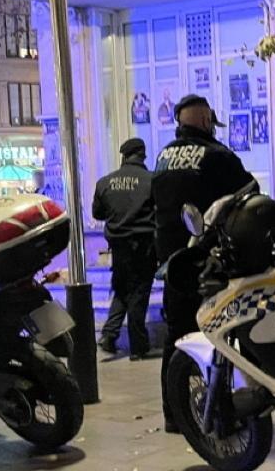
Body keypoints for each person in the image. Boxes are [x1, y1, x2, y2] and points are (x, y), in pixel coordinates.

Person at [152, 95, 257, 432]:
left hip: (172, 263)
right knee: (217, 337)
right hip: (208, 263)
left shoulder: (163, 156)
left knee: (176, 338)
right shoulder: (217, 156)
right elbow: (250, 193)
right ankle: (221, 413)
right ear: (205, 121)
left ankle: (174, 414)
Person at [94, 137, 157, 360]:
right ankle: (138, 346)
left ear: (123, 156)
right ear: (142, 155)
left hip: (118, 247)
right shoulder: (151, 180)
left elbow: (97, 213)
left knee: (121, 290)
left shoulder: (105, 182)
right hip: (144, 247)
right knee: (139, 293)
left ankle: (109, 335)